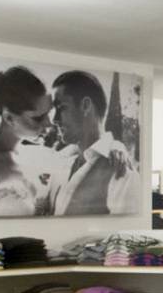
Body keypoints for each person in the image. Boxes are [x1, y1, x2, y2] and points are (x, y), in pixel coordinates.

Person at [0, 66, 65, 216]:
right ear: (9, 118)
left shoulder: (40, 157)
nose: (48, 124)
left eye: (49, 113)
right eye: (38, 118)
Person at [46, 70, 140, 215]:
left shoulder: (122, 173)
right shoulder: (61, 163)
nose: (54, 119)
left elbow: (128, 228)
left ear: (85, 106)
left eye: (62, 108)